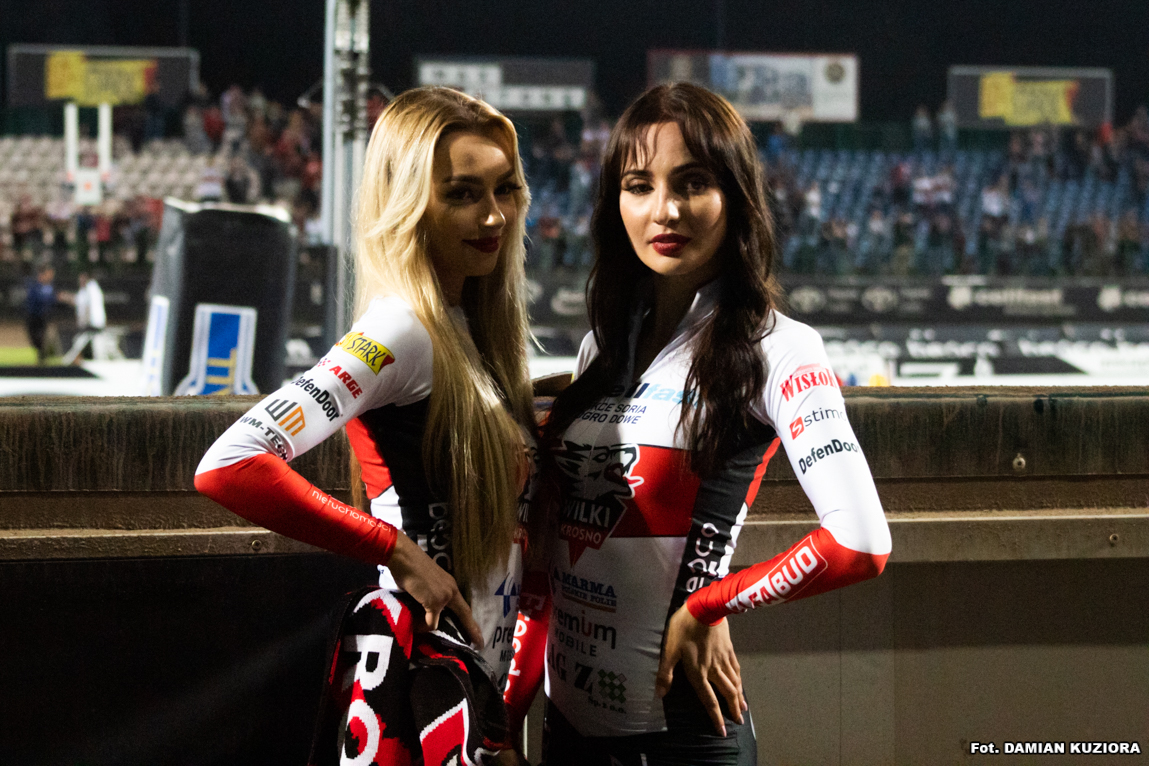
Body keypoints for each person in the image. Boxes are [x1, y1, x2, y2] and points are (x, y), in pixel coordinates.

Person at [503, 83, 892, 765]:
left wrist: (712, 604)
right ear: (614, 202)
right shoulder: (601, 348)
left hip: (682, 736)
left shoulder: (779, 347)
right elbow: (549, 552)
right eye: (639, 185)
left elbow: (860, 542)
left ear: (735, 197)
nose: (666, 209)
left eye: (692, 183)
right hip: (565, 729)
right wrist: (504, 720)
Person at [195, 87, 539, 765]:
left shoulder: (472, 325)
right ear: (408, 203)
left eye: (506, 189)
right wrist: (398, 551)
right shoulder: (397, 330)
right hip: (419, 692)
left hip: (474, 697)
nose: (493, 215)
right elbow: (229, 465)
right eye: (462, 194)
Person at [24, 265, 56, 364]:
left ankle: (42, 356)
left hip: (42, 317)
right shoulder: (35, 287)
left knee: (41, 338)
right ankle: (42, 354)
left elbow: (51, 300)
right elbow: (36, 299)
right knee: (34, 338)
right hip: (32, 317)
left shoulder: (49, 287)